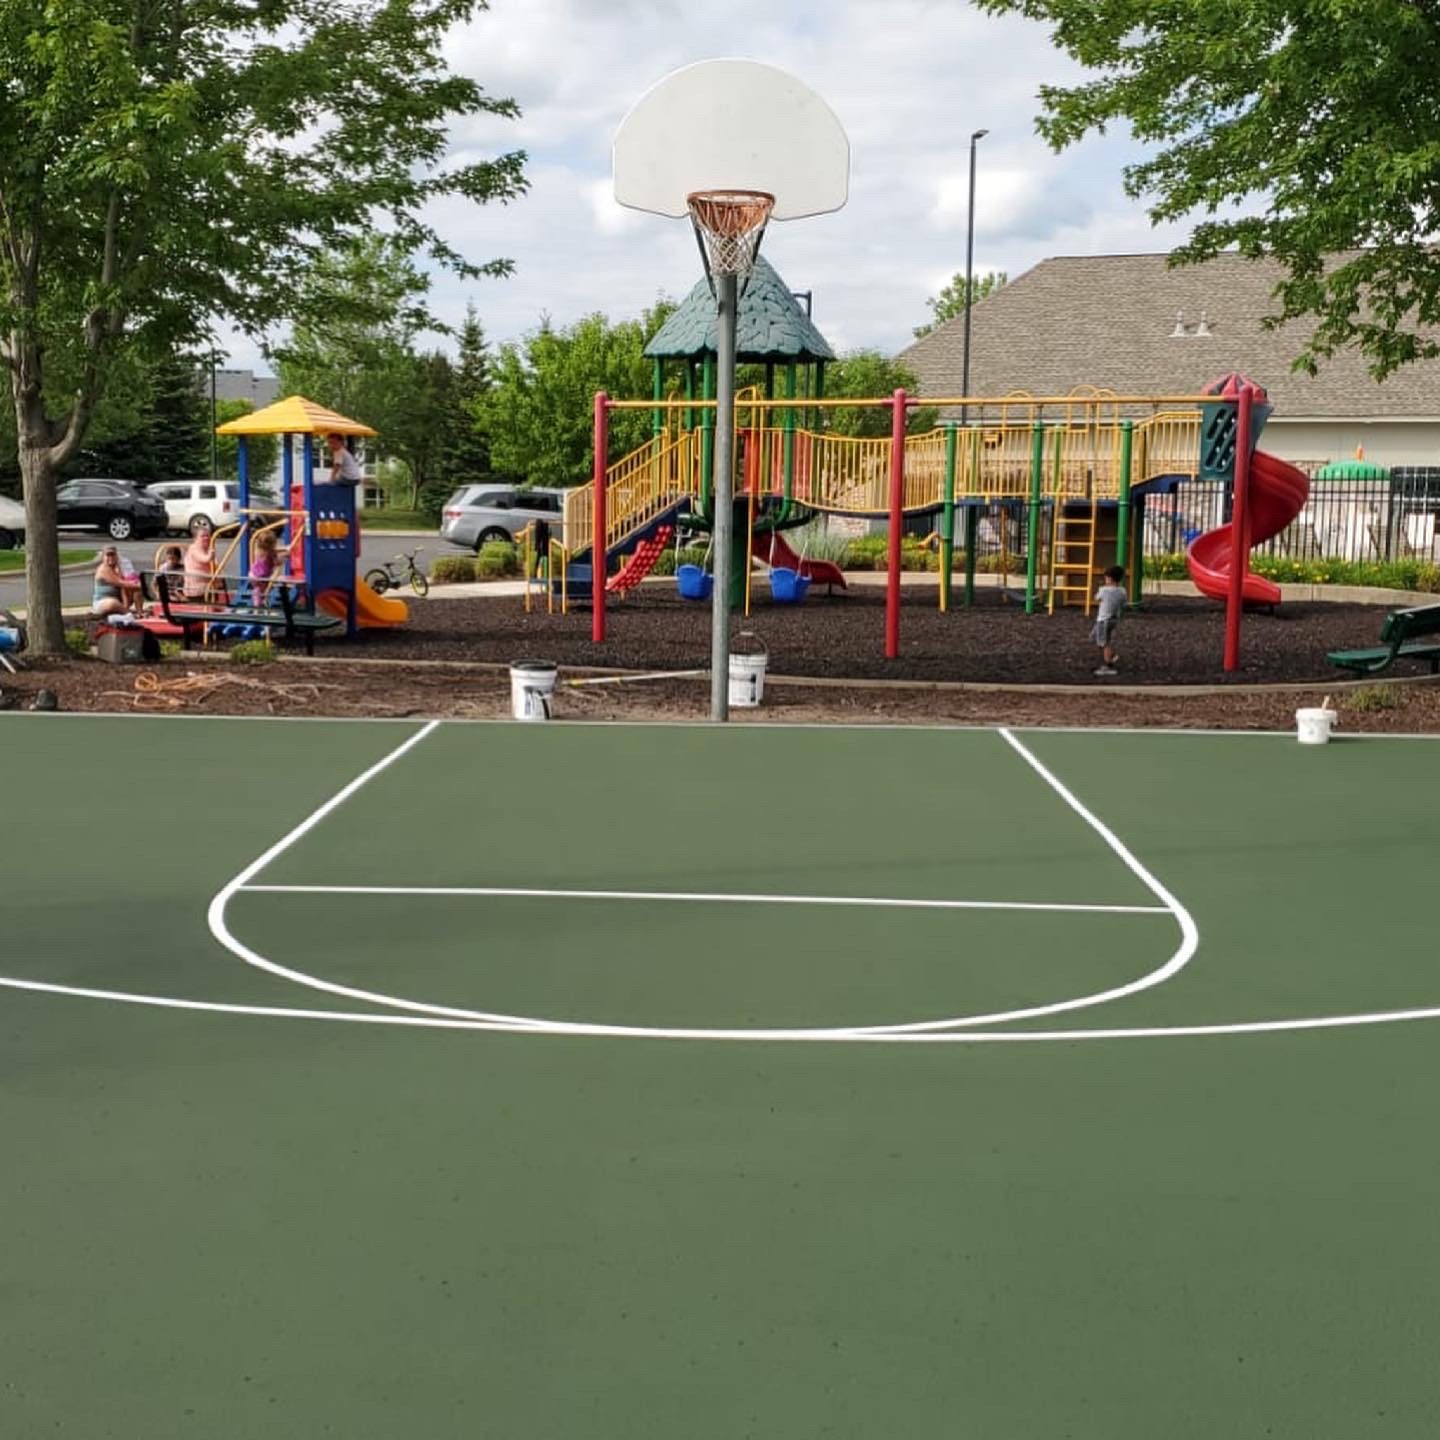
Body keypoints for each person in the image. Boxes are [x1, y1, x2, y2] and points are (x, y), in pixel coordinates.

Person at [1090, 565, 1126, 676]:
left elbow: (1096, 598)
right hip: (1113, 619)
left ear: (1110, 579)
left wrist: (1100, 589)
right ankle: (1111, 655)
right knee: (1095, 636)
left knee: (1104, 643)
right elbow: (1123, 603)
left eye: (1105, 578)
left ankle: (1109, 663)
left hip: (1103, 620)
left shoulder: (1104, 590)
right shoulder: (1122, 591)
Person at [92, 546, 141, 617]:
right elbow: (120, 583)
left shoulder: (119, 568)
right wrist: (138, 585)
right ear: (103, 557)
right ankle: (129, 614)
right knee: (112, 603)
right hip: (102, 602)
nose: (111, 558)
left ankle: (140, 612)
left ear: (117, 556)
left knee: (136, 590)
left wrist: (137, 585)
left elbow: (124, 587)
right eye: (108, 555)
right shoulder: (103, 569)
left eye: (113, 555)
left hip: (118, 601)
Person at [247, 529, 280, 603]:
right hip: (262, 576)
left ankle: (258, 601)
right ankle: (261, 601)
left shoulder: (259, 550)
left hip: (253, 574)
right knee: (265, 589)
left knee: (258, 589)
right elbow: (277, 562)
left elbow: (273, 550)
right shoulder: (270, 554)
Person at [184, 530, 217, 601]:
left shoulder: (207, 549)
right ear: (195, 538)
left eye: (208, 536)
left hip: (207, 586)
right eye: (203, 536)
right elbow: (204, 559)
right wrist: (210, 555)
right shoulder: (193, 548)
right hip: (195, 589)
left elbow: (214, 564)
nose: (206, 538)